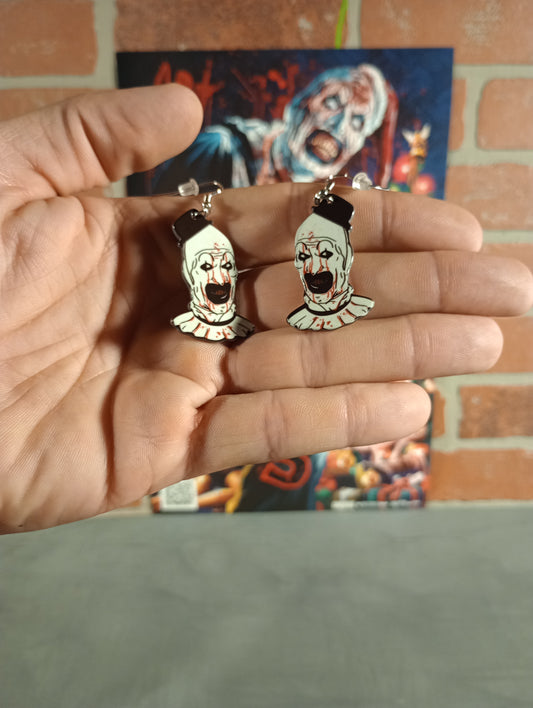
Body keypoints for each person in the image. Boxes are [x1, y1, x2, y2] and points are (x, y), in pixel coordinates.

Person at [0, 84, 531, 533]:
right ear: (300, 102)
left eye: (358, 121)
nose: (339, 123)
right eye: (333, 101)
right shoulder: (219, 152)